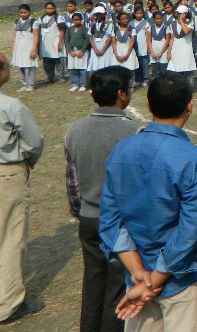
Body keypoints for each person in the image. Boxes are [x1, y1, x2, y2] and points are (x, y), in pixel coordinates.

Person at [99, 73, 197, 331]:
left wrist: (138, 272)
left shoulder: (122, 150)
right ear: (190, 105)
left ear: (148, 105)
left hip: (138, 278)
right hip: (181, 283)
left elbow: (110, 220)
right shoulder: (193, 159)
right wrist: (155, 279)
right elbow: (189, 229)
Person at [65, 66, 140, 332]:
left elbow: (72, 180)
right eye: (129, 89)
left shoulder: (75, 130)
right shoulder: (133, 133)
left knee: (93, 283)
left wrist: (80, 211)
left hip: (89, 217)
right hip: (120, 222)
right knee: (117, 290)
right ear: (121, 94)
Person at [0, 53, 45, 324]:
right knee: (10, 239)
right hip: (6, 174)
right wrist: (29, 161)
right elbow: (33, 141)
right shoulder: (10, 106)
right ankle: (8, 304)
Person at [11, 4, 39, 92]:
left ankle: (31, 84)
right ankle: (24, 84)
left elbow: (36, 36)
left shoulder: (33, 22)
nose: (23, 14)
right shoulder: (17, 21)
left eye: (25, 12)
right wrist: (13, 48)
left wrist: (34, 49)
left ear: (29, 12)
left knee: (29, 65)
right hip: (19, 46)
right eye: (21, 13)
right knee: (20, 65)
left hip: (28, 46)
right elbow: (15, 36)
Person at [65, 11, 91, 92]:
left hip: (81, 51)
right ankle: (74, 84)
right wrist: (70, 51)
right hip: (72, 51)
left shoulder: (84, 29)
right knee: (72, 68)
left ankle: (83, 84)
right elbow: (66, 40)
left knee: (82, 68)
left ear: (81, 20)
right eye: (74, 20)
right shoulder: (69, 29)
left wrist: (82, 51)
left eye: (78, 20)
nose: (76, 21)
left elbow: (87, 40)